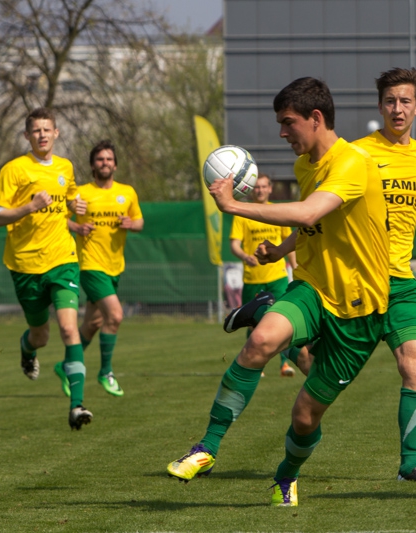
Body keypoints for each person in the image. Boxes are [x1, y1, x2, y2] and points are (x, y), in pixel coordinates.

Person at [166, 77, 390, 508]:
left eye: (288, 123)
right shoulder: (308, 165)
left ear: (316, 118)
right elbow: (314, 224)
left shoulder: (352, 163)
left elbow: (308, 210)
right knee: (260, 342)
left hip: (361, 311)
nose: (282, 133)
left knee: (305, 416)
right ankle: (206, 448)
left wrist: (232, 206)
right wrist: (282, 250)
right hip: (314, 286)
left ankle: (286, 476)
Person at [291, 67, 416, 482]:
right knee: (320, 372)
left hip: (399, 281)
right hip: (356, 279)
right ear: (380, 106)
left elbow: (410, 199)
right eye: (390, 101)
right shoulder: (355, 153)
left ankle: (410, 465)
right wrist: (284, 247)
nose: (398, 108)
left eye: (405, 101)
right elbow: (320, 213)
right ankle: (290, 338)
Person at [0, 107, 92, 430]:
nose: (42, 135)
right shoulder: (14, 170)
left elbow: (70, 202)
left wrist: (77, 211)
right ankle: (26, 348)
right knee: (41, 335)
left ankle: (77, 405)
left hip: (62, 260)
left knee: (68, 329)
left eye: (47, 129)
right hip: (25, 265)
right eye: (36, 131)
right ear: (27, 136)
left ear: (57, 133)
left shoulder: (65, 167)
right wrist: (30, 206)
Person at [66, 140, 143, 397]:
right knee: (116, 316)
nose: (105, 163)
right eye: (100, 159)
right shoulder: (80, 193)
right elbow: (57, 218)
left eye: (109, 159)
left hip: (114, 267)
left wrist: (131, 223)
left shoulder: (127, 192)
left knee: (93, 323)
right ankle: (105, 372)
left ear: (116, 164)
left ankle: (66, 364)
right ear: (92, 165)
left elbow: (140, 222)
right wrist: (76, 226)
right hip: (89, 265)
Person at [228, 173, 298, 377]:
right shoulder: (244, 213)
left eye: (263, 186)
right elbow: (234, 244)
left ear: (270, 189)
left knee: (284, 322)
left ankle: (284, 364)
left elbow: (289, 243)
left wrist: (295, 269)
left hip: (277, 277)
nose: (259, 190)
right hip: (253, 278)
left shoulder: (278, 212)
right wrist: (244, 255)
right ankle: (255, 365)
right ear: (252, 190)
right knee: (254, 324)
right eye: (256, 187)